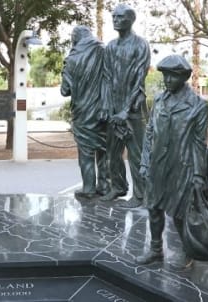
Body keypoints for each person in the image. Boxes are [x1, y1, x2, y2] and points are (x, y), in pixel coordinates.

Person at [136, 55, 208, 265]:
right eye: (165, 75)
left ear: (184, 77)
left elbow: (199, 143)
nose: (167, 80)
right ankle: (156, 249)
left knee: (180, 213)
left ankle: (189, 251)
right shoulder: (159, 100)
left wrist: (198, 173)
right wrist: (144, 161)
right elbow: (150, 132)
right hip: (158, 165)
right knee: (154, 208)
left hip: (182, 166)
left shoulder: (197, 105)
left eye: (173, 76)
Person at [99, 3, 150, 208]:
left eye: (120, 17)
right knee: (112, 152)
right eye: (113, 17)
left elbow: (139, 80)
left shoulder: (140, 44)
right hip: (113, 108)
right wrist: (107, 107)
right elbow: (107, 78)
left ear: (131, 19)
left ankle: (140, 195)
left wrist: (125, 110)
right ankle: (118, 187)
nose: (115, 20)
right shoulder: (110, 47)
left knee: (136, 154)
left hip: (133, 110)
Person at [61, 25, 109, 202]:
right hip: (104, 111)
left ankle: (89, 187)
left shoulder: (71, 59)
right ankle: (105, 186)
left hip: (82, 112)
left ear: (75, 39)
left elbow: (65, 90)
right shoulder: (104, 51)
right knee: (104, 149)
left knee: (86, 151)